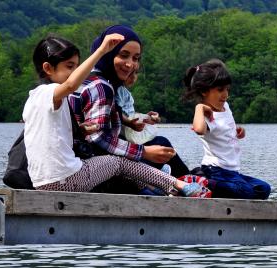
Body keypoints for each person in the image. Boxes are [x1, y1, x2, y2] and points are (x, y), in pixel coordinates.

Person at [23, 35, 209, 197]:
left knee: (119, 167)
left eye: (77, 66)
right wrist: (101, 51)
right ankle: (179, 184)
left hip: (42, 181)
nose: (76, 73)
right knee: (119, 163)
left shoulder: (33, 99)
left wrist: (82, 129)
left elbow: (52, 133)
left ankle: (164, 188)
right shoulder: (51, 92)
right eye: (70, 66)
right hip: (65, 180)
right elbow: (71, 85)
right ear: (48, 68)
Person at [71, 25, 191, 179]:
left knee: (161, 143)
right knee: (162, 145)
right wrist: (144, 152)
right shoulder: (101, 87)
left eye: (136, 58)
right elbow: (98, 138)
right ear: (107, 53)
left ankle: (185, 180)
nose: (130, 64)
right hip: (98, 168)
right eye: (123, 55)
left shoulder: (85, 78)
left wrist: (139, 121)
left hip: (86, 161)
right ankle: (189, 182)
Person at [184, 59, 272, 200]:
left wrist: (238, 130)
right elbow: (199, 129)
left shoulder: (225, 106)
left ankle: (219, 186)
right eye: (220, 90)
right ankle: (202, 181)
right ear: (204, 91)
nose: (225, 94)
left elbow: (225, 127)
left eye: (227, 89)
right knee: (245, 192)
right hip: (215, 170)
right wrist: (199, 107)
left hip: (232, 171)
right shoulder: (206, 115)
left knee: (264, 189)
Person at [116, 69, 160, 146]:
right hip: (125, 135)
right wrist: (129, 123)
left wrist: (144, 117)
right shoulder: (119, 90)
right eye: (129, 73)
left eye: (136, 73)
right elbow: (116, 112)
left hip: (129, 133)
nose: (133, 77)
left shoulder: (125, 92)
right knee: (162, 142)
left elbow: (128, 113)